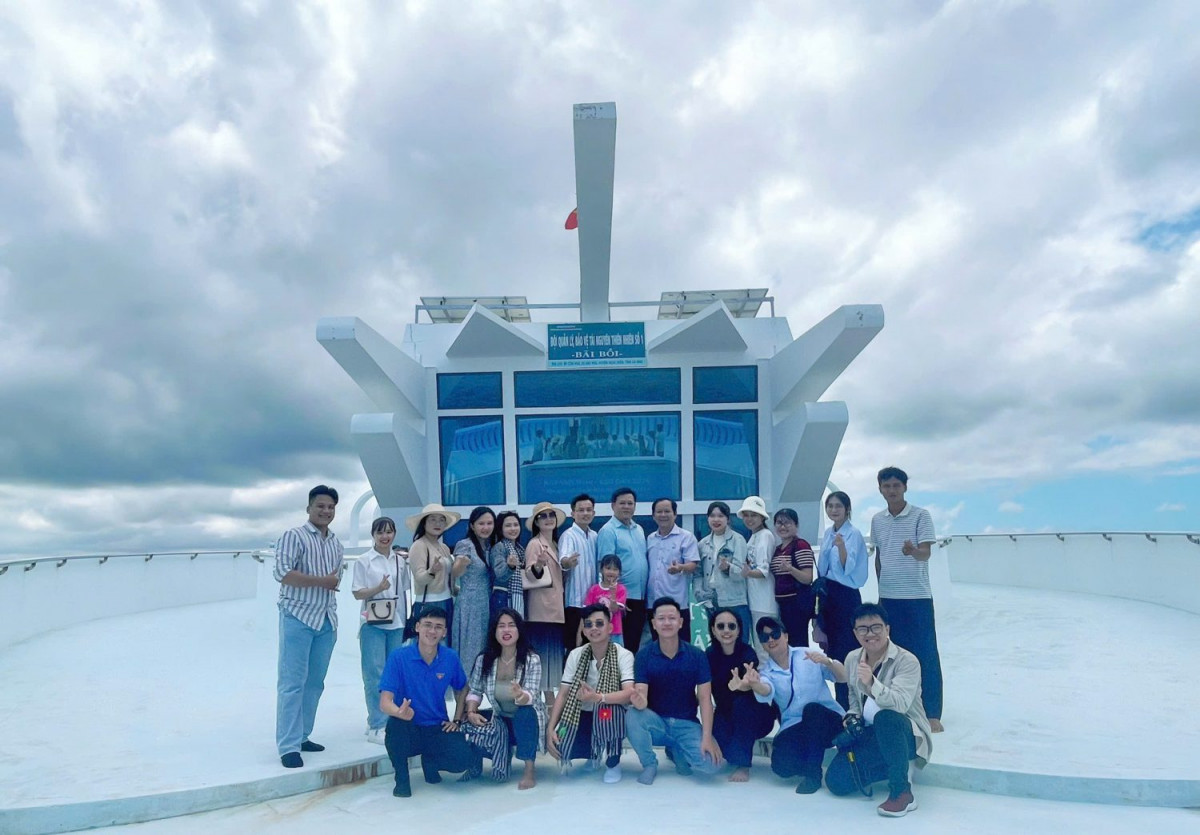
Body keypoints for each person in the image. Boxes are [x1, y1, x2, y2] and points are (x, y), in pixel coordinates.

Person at [818, 603, 933, 817]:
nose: (870, 634)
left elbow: (900, 704)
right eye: (863, 629)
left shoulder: (907, 661)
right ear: (855, 633)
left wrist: (872, 683)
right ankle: (893, 766)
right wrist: (852, 717)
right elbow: (854, 700)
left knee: (886, 717)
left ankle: (902, 792)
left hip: (905, 733)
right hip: (872, 732)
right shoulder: (853, 658)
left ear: (887, 629)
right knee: (836, 782)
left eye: (876, 627)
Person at [274, 485, 344, 769]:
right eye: (321, 506)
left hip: (326, 619)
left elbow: (335, 580)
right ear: (309, 508)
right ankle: (288, 746)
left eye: (331, 507)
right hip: (298, 616)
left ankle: (302, 735)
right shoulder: (294, 536)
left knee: (315, 683)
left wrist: (328, 584)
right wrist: (320, 581)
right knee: (292, 683)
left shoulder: (336, 543)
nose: (326, 511)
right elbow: (282, 573)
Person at [378, 606, 481, 797]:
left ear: (444, 632)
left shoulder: (450, 657)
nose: (432, 631)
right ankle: (402, 779)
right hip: (409, 726)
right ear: (417, 627)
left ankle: (430, 761)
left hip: (436, 726)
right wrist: (399, 712)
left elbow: (462, 688)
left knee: (464, 759)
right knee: (395, 727)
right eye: (427, 625)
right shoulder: (399, 657)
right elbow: (385, 702)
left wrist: (457, 719)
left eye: (438, 627)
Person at [870, 466, 944, 732]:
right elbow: (879, 557)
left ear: (905, 488)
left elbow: (925, 553)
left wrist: (913, 550)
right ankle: (897, 704)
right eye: (886, 486)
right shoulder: (877, 520)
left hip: (917, 596)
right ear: (880, 489)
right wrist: (881, 591)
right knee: (891, 654)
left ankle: (932, 712)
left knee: (925, 653)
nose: (891, 490)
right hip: (889, 597)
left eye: (896, 485)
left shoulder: (921, 516)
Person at [625, 597, 724, 784]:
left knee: (712, 765)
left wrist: (707, 737)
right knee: (632, 715)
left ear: (681, 622)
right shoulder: (644, 655)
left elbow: (705, 699)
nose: (667, 623)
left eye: (672, 618)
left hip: (686, 723)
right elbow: (642, 696)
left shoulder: (697, 655)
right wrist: (639, 701)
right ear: (654, 623)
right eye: (661, 619)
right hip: (657, 723)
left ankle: (677, 749)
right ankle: (649, 764)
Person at [743, 616, 843, 793]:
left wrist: (827, 661)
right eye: (765, 638)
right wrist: (754, 684)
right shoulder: (766, 672)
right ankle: (811, 757)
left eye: (775, 634)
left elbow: (843, 677)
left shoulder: (808, 655)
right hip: (797, 725)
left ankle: (813, 775)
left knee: (811, 710)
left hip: (828, 721)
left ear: (786, 636)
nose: (771, 640)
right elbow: (766, 689)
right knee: (781, 766)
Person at [546, 603, 636, 783]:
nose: (594, 628)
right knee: (561, 742)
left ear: (610, 628)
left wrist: (598, 697)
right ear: (584, 631)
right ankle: (592, 755)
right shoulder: (576, 655)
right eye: (589, 624)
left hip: (608, 714)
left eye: (599, 623)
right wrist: (550, 728)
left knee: (611, 711)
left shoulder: (623, 655)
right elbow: (563, 694)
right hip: (582, 713)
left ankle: (613, 762)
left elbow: (629, 694)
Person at [462, 609, 546, 789]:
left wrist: (520, 695)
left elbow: (532, 696)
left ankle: (529, 770)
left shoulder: (532, 659)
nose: (506, 630)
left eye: (511, 626)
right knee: (472, 722)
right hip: (500, 718)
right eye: (501, 626)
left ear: (519, 630)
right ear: (494, 631)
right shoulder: (484, 659)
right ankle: (478, 764)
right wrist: (471, 712)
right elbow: (475, 690)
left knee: (525, 713)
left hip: (526, 719)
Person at [351, 516, 410, 745]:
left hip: (396, 621)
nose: (385, 536)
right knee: (374, 673)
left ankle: (387, 719)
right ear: (373, 535)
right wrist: (378, 588)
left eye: (389, 532)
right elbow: (357, 593)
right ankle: (377, 724)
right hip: (372, 623)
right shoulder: (364, 561)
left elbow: (404, 590)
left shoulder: (400, 561)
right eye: (380, 532)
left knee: (393, 674)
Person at [705, 607, 776, 782]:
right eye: (721, 626)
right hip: (725, 713)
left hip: (755, 715)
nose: (726, 630)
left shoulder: (747, 653)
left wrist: (743, 686)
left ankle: (743, 765)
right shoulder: (709, 655)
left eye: (731, 626)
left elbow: (750, 684)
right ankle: (735, 753)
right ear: (713, 630)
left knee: (741, 704)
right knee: (719, 750)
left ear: (738, 630)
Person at [816, 491, 869, 708]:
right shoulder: (828, 533)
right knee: (834, 649)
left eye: (838, 506)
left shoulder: (852, 534)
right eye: (830, 506)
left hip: (846, 595)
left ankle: (856, 703)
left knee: (850, 648)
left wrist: (841, 547)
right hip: (829, 594)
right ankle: (841, 703)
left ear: (847, 509)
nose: (834, 510)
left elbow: (849, 567)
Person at [595, 487, 649, 652]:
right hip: (621, 601)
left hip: (640, 597)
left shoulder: (639, 529)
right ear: (613, 505)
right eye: (622, 503)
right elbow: (605, 568)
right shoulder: (608, 531)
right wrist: (613, 597)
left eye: (630, 503)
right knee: (620, 648)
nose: (626, 507)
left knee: (634, 645)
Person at [524, 501, 567, 703]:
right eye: (543, 516)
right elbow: (530, 574)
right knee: (542, 656)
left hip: (555, 608)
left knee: (551, 656)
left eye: (551, 515)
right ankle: (546, 702)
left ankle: (549, 702)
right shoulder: (535, 544)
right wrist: (539, 564)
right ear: (536, 522)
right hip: (541, 610)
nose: (548, 519)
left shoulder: (556, 545)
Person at [645, 498, 700, 639]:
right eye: (659, 512)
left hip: (677, 603)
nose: (663, 515)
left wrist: (680, 567)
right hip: (653, 603)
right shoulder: (650, 538)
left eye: (667, 511)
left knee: (681, 644)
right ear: (653, 515)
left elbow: (693, 564)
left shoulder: (686, 537)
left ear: (675, 514)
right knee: (657, 644)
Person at [451, 506, 496, 674]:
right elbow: (455, 572)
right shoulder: (465, 545)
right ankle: (465, 687)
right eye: (481, 523)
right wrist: (460, 564)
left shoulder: (490, 546)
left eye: (489, 523)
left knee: (484, 648)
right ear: (472, 525)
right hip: (470, 605)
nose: (486, 527)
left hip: (486, 603)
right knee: (470, 648)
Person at [696, 501, 752, 636]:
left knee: (739, 640)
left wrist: (728, 568)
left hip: (734, 600)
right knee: (717, 640)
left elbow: (742, 572)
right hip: (711, 601)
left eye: (720, 516)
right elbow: (698, 573)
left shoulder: (738, 540)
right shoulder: (703, 543)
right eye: (712, 516)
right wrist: (699, 594)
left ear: (728, 519)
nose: (716, 520)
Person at [407, 503, 461, 638]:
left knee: (445, 642)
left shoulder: (444, 547)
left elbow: (449, 580)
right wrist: (431, 571)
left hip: (447, 601)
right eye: (433, 519)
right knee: (430, 643)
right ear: (424, 523)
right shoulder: (419, 545)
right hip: (429, 603)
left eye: (442, 520)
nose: (438, 523)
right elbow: (419, 578)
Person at [738, 495, 778, 657]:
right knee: (760, 648)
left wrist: (746, 572)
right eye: (746, 515)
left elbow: (763, 571)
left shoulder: (765, 535)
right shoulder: (753, 537)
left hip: (765, 602)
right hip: (755, 601)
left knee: (767, 649)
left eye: (753, 515)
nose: (749, 519)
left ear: (762, 517)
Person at [559, 493, 599, 651]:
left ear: (594, 513)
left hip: (593, 602)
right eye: (581, 510)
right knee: (573, 648)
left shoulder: (595, 536)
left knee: (591, 647)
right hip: (575, 602)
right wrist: (567, 562)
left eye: (589, 510)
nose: (585, 513)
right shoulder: (568, 535)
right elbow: (563, 561)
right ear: (573, 513)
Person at [771, 508, 816, 647]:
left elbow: (807, 578)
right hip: (783, 604)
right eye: (779, 523)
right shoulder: (778, 549)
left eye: (787, 523)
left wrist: (790, 569)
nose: (783, 527)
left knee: (797, 643)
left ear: (796, 525)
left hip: (796, 604)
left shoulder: (800, 545)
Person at [585, 555, 628, 646]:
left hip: (615, 632)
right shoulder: (594, 589)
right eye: (608, 568)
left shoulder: (621, 589)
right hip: (596, 631)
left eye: (615, 569)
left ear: (619, 572)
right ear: (601, 570)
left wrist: (613, 594)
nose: (611, 572)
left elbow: (614, 609)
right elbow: (586, 613)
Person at [489, 511, 525, 617]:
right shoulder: (499, 547)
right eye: (508, 526)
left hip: (516, 596)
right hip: (503, 596)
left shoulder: (519, 549)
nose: (513, 529)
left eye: (516, 525)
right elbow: (499, 575)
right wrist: (510, 566)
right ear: (500, 529)